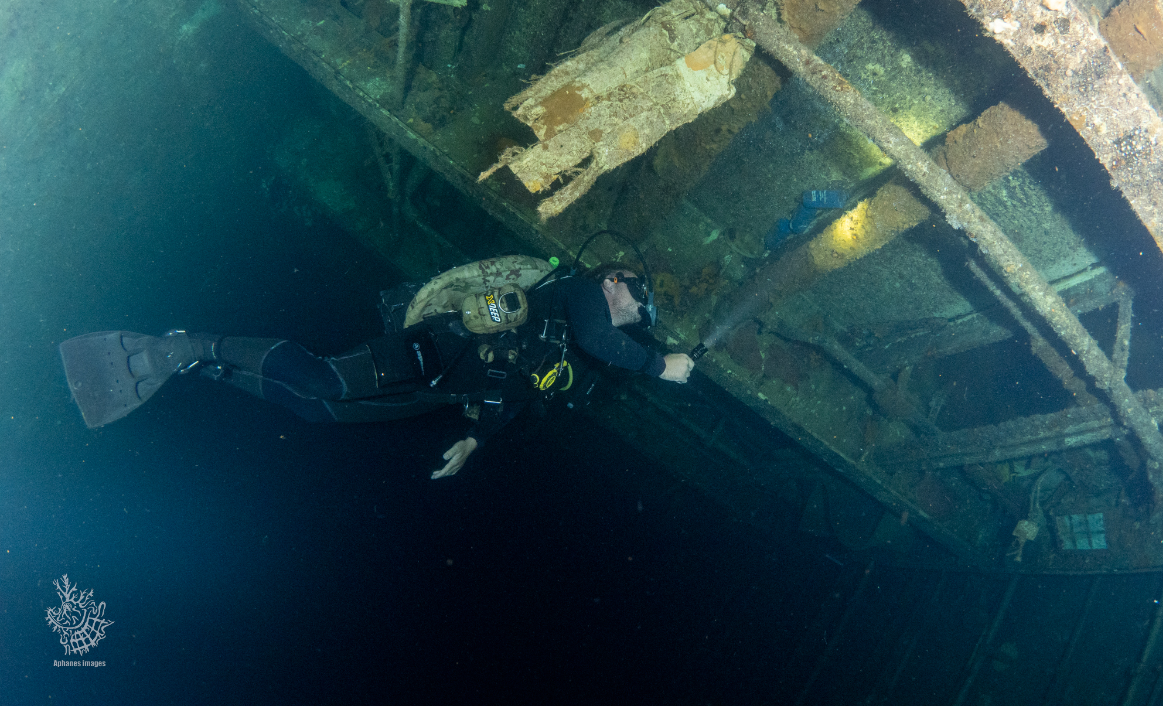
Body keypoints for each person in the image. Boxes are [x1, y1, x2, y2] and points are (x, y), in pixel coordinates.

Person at [60, 263, 694, 479]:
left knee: (316, 409)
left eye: (640, 318)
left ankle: (203, 365)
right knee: (322, 379)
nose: (633, 315)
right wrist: (656, 362)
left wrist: (478, 437)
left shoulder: (575, 349)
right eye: (636, 303)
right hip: (434, 349)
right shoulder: (580, 296)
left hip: (439, 390)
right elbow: (600, 336)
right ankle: (186, 343)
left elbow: (519, 395)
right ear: (617, 282)